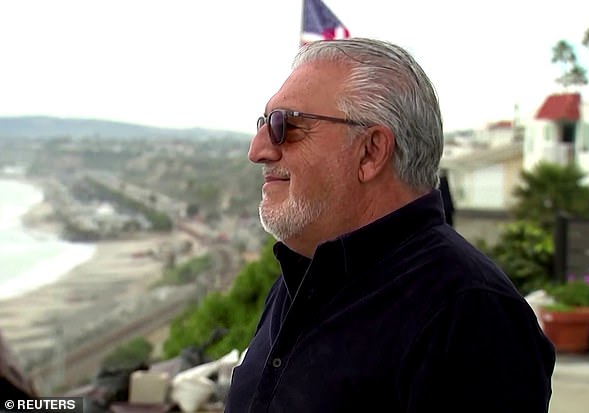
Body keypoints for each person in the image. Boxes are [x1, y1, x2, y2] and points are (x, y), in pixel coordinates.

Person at [226, 38, 555, 412]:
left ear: (371, 151)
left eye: (284, 125)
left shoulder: (469, 314)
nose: (257, 150)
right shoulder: (302, 279)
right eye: (263, 123)